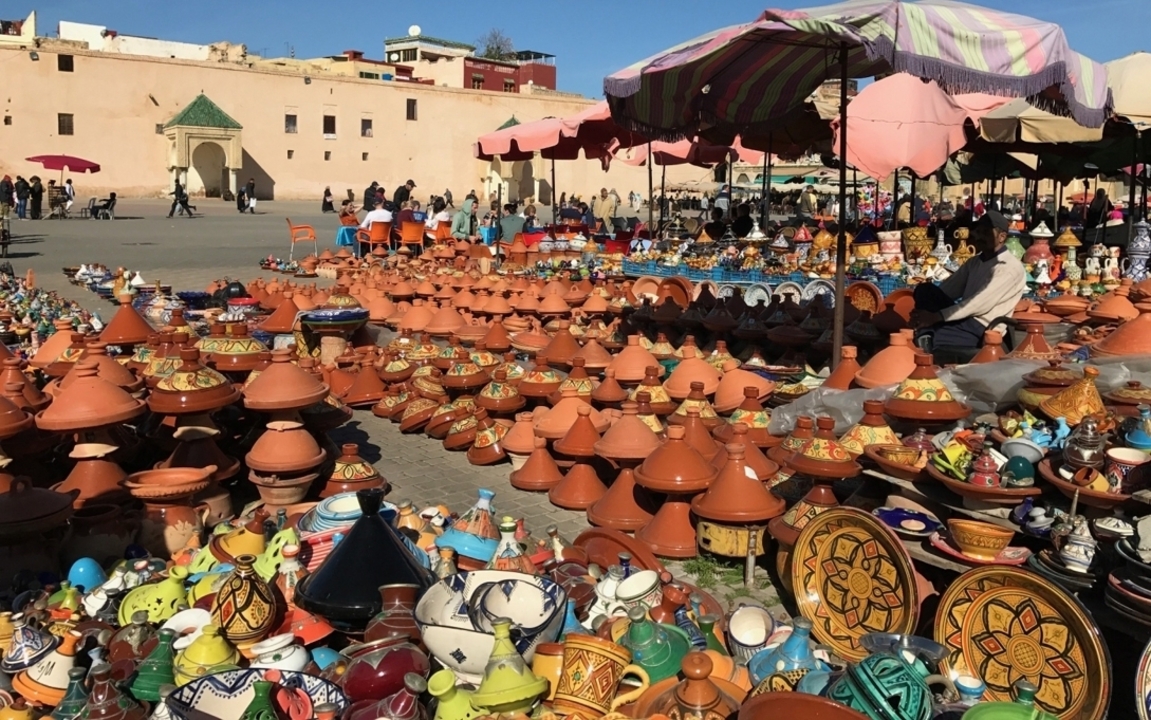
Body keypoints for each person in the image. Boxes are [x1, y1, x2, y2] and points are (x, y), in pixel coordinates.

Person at [911, 210, 1026, 351]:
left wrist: (936, 317)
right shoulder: (975, 261)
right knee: (925, 290)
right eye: (978, 232)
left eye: (985, 233)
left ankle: (925, 339)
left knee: (933, 336)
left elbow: (978, 304)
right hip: (964, 319)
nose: (979, 237)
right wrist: (923, 313)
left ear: (1002, 237)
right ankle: (924, 332)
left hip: (981, 327)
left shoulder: (1008, 267)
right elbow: (947, 290)